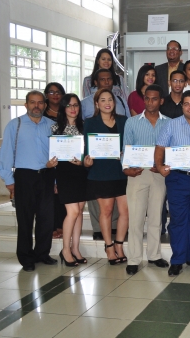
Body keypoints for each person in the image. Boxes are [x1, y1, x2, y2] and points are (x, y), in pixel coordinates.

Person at [0, 91, 56, 272]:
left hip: (47, 175)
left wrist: (56, 181)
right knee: (25, 219)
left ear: (45, 106)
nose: (36, 106)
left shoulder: (53, 126)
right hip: (24, 176)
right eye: (33, 102)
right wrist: (8, 180)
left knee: (46, 218)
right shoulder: (15, 125)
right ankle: (26, 257)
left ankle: (42, 253)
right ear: (26, 105)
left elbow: (59, 154)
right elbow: (6, 153)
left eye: (40, 103)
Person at [155, 90, 190, 276]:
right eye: (187, 103)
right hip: (177, 178)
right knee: (178, 220)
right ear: (182, 106)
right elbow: (160, 147)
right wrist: (160, 166)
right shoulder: (171, 125)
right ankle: (177, 259)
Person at [122, 84, 170, 276]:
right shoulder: (132, 122)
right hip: (137, 174)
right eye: (147, 98)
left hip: (159, 175)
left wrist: (162, 164)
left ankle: (154, 255)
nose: (150, 102)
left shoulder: (169, 123)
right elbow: (126, 148)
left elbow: (171, 151)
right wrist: (127, 169)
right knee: (135, 218)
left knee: (156, 217)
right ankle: (133, 258)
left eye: (154, 99)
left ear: (161, 101)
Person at [83, 88, 129, 265]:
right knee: (107, 211)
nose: (107, 103)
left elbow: (129, 143)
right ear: (96, 104)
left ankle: (119, 244)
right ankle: (108, 246)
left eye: (110, 99)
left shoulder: (124, 121)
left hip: (121, 172)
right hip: (101, 173)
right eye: (103, 100)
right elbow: (87, 149)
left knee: (125, 212)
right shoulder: (90, 123)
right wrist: (85, 161)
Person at [49, 93, 88, 267]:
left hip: (81, 172)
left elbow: (89, 153)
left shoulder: (85, 127)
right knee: (72, 212)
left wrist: (84, 162)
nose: (73, 109)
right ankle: (65, 250)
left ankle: (75, 248)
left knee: (79, 212)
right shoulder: (55, 128)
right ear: (63, 108)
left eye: (76, 105)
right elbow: (52, 155)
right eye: (69, 105)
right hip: (64, 173)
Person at [43, 82, 65, 239]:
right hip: (47, 160)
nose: (55, 94)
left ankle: (62, 224)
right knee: (49, 195)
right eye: (51, 92)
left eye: (58, 92)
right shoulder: (42, 116)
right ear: (46, 95)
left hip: (65, 159)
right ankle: (51, 226)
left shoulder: (66, 113)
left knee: (62, 194)